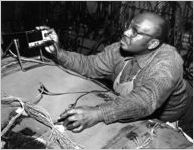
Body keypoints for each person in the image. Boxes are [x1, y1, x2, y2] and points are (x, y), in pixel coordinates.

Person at [37, 12, 192, 135]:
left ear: (152, 44)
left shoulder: (169, 61)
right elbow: (90, 65)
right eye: (129, 26)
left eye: (135, 32)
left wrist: (98, 113)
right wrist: (59, 53)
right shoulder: (119, 50)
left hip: (178, 120)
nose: (126, 32)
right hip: (138, 113)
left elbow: (145, 100)